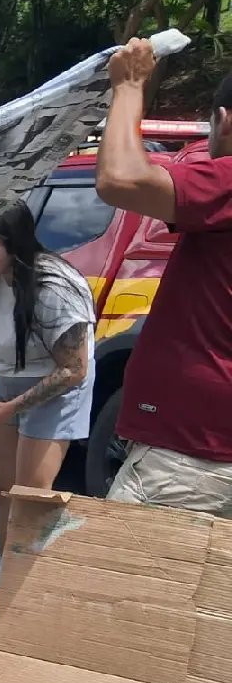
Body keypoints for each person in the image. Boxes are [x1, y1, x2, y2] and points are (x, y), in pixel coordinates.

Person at [0, 200, 97, 637]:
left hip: (55, 385)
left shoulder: (54, 287)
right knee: (3, 490)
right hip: (6, 383)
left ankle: (21, 604)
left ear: (15, 248)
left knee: (30, 497)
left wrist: (10, 409)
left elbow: (74, 369)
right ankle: (6, 586)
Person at [94, 37, 232, 518]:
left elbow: (121, 179)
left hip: (193, 457)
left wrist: (130, 86)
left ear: (224, 120)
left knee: (129, 568)